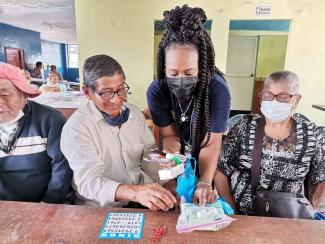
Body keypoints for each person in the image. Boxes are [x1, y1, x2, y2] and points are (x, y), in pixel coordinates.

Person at [60, 54, 177, 210]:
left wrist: (168, 175)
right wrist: (135, 193)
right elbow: (89, 183)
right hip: (102, 207)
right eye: (106, 93)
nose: (116, 100)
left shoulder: (134, 114)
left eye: (121, 89)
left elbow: (149, 154)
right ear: (87, 92)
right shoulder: (77, 128)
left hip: (140, 196)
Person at [146, 5, 231, 204]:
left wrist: (204, 182)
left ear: (201, 67)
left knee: (204, 196)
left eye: (189, 73)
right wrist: (172, 156)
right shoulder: (157, 90)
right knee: (176, 198)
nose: (181, 79)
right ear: (163, 67)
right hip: (179, 153)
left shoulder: (217, 90)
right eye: (173, 73)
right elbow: (169, 135)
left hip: (207, 147)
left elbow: (211, 143)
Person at [215, 71, 325, 215]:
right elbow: (220, 170)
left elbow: (321, 175)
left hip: (289, 218)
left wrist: (310, 208)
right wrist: (232, 212)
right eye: (268, 95)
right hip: (243, 216)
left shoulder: (311, 134)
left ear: (297, 100)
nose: (274, 102)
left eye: (283, 96)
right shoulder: (244, 127)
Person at [0, 62, 72, 203]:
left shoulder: (50, 120)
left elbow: (62, 168)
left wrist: (46, 206)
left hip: (46, 205)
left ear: (24, 96)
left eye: (4, 94)